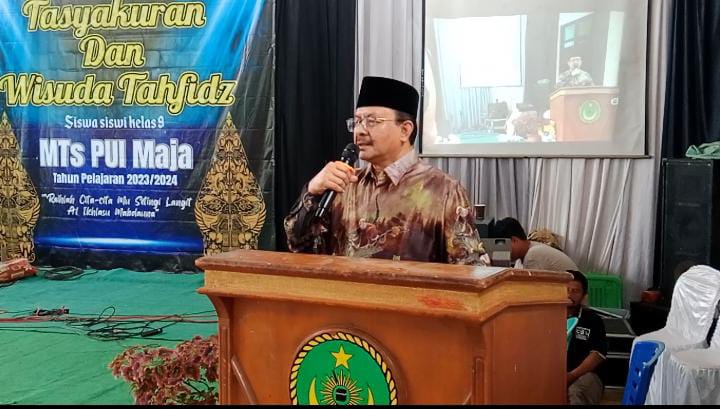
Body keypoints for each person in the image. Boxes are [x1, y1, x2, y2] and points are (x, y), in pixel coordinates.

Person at [284, 76, 487, 265]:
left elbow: (471, 269)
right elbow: (297, 245)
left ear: (405, 130)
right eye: (357, 121)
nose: (359, 131)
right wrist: (312, 190)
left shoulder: (443, 191)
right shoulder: (345, 185)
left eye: (371, 121)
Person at [566, 270, 608, 405]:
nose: (569, 294)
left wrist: (571, 375)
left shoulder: (593, 320)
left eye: (575, 291)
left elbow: (597, 355)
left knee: (576, 392)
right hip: (554, 373)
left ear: (584, 295)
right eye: (565, 289)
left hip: (586, 374)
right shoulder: (546, 317)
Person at [489, 217, 579, 271]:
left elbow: (533, 290)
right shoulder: (526, 253)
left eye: (502, 247)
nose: (502, 253)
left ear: (514, 240)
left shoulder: (533, 255)